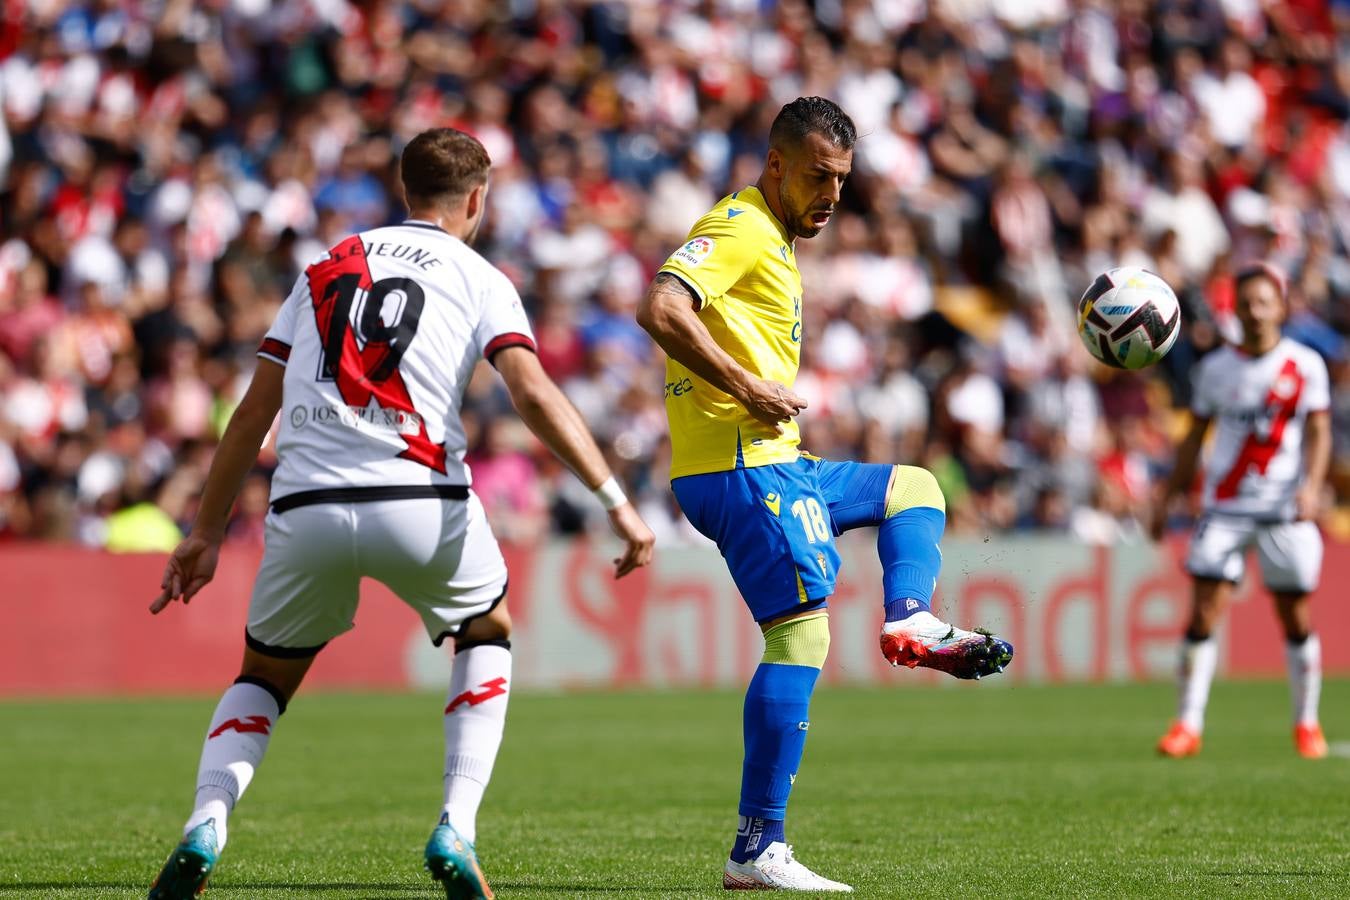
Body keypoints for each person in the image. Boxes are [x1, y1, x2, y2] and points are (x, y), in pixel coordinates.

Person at [146, 128, 655, 900]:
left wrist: (207, 531)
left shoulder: (326, 263)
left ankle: (205, 824)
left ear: (401, 187)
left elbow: (254, 412)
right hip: (420, 498)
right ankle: (456, 823)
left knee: (263, 680)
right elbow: (532, 392)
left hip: (306, 503)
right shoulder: (480, 275)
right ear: (477, 199)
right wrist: (616, 500)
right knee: (486, 631)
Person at [636, 97, 1014, 893]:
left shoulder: (772, 234)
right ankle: (757, 845)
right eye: (817, 176)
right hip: (742, 468)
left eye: (841, 179)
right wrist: (745, 384)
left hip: (778, 459)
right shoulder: (740, 227)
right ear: (776, 164)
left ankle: (910, 613)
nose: (832, 195)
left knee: (913, 485)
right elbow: (662, 305)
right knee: (800, 638)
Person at [1150, 262, 1331, 760]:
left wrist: (1312, 487)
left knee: (1294, 616)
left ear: (1281, 306)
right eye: (1246, 303)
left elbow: (1318, 432)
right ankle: (1187, 725)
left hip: (1282, 509)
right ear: (1236, 309)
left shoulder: (1305, 364)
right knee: (1204, 612)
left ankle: (1307, 723)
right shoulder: (1214, 369)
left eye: (1263, 302)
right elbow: (1193, 441)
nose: (1254, 312)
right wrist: (1168, 498)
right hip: (1225, 510)